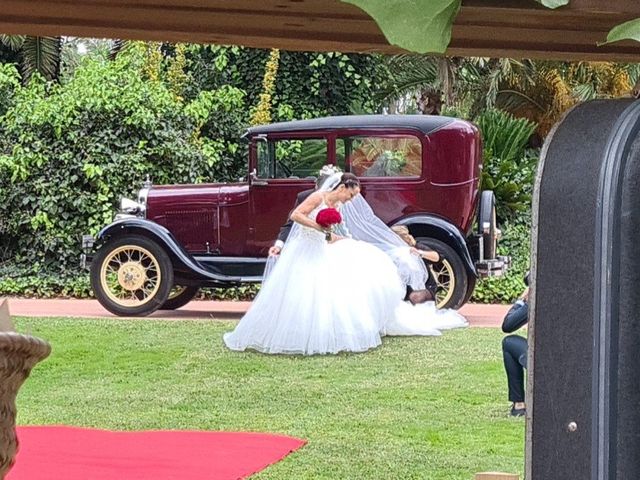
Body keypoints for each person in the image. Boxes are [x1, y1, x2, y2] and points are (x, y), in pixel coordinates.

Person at [268, 165, 341, 257]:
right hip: (305, 246)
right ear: (316, 185)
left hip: (328, 246)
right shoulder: (304, 197)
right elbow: (291, 223)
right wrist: (279, 245)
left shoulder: (341, 200)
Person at [501, 275, 529, 417]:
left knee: (508, 342)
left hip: (544, 359)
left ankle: (519, 403)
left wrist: (521, 301)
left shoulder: (538, 297)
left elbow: (507, 325)